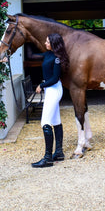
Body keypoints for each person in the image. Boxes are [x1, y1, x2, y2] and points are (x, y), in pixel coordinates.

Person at [31, 33, 70, 168]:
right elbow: (31, 55)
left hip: (54, 89)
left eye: (48, 42)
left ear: (54, 44)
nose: (45, 43)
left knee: (45, 122)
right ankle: (58, 153)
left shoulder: (57, 58)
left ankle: (48, 158)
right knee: (55, 121)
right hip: (50, 90)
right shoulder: (47, 54)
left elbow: (54, 78)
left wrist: (41, 85)